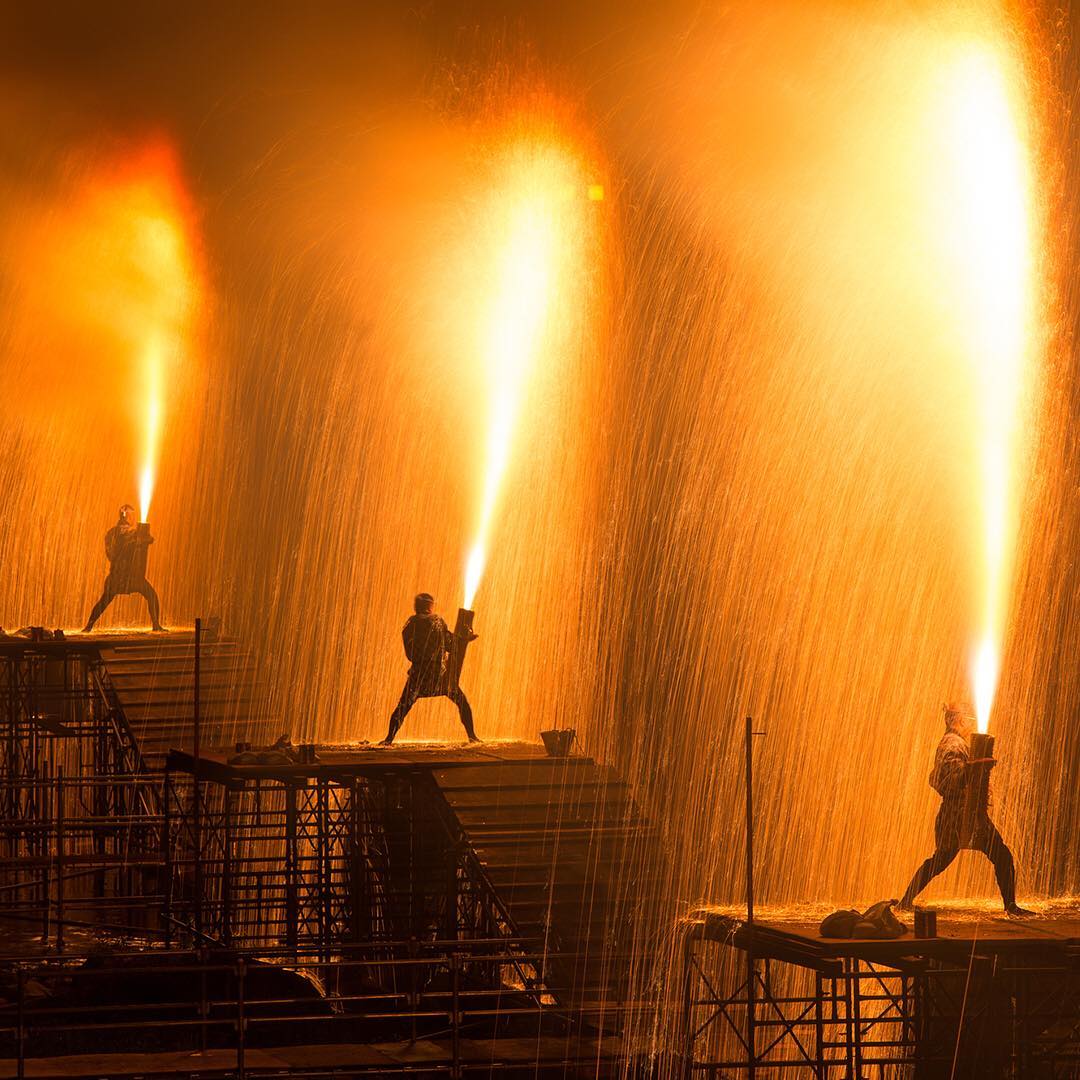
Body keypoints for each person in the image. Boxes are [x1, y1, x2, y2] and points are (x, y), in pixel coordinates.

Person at [899, 702, 1032, 916]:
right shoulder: (952, 743)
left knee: (942, 860)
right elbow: (952, 777)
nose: (968, 723)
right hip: (960, 813)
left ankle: (905, 901)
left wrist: (977, 766)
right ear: (955, 720)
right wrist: (977, 766)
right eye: (964, 718)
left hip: (961, 812)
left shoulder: (953, 742)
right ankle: (1011, 906)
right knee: (998, 855)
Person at [381, 592, 479, 745]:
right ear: (430, 606)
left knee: (402, 707)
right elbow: (451, 645)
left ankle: (388, 739)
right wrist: (464, 639)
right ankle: (472, 736)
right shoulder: (437, 620)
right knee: (462, 702)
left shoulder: (410, 624)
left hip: (418, 674)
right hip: (439, 675)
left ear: (417, 606)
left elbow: (410, 652)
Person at [82, 504, 164, 633]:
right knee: (151, 596)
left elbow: (110, 552)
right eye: (131, 515)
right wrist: (144, 538)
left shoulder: (111, 532)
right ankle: (156, 625)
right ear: (129, 516)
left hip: (117, 575)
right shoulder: (131, 532)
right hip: (131, 577)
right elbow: (144, 539)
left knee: (104, 601)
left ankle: (88, 626)